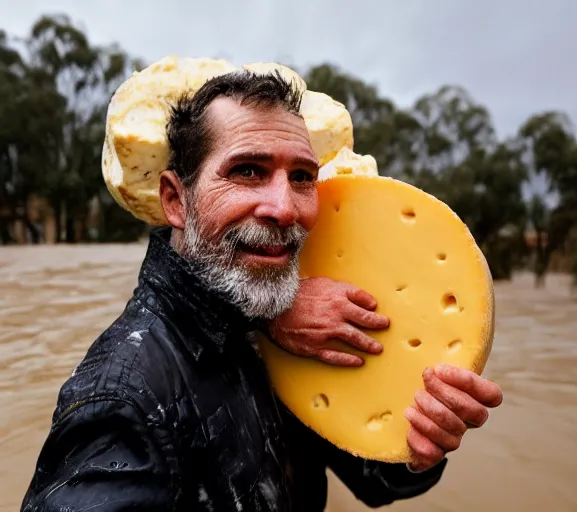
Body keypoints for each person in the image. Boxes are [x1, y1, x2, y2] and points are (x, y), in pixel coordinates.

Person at [21, 70, 503, 512]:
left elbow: (372, 480)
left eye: (302, 178)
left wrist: (420, 445)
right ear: (175, 199)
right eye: (247, 171)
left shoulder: (284, 324)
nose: (284, 208)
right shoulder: (123, 401)